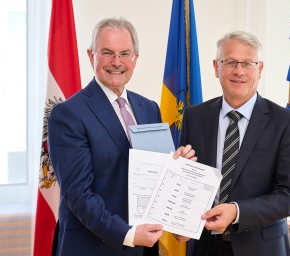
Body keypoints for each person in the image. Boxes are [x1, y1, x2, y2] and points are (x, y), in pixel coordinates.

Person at [48, 17, 195, 256]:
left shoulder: (149, 108)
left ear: (135, 58)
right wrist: (127, 234)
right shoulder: (68, 115)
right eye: (107, 53)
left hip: (143, 246)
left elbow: (156, 178)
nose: (117, 62)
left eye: (125, 54)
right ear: (90, 55)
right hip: (91, 247)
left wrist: (177, 166)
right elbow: (78, 195)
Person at [176, 31, 290, 256]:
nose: (239, 71)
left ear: (260, 69)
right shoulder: (194, 117)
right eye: (230, 62)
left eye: (247, 63)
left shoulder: (285, 122)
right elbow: (186, 182)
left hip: (261, 248)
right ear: (216, 67)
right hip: (204, 247)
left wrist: (236, 212)